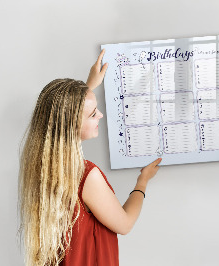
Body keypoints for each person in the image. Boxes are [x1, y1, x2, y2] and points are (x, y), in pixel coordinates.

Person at [18, 50, 162, 266]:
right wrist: (143, 181)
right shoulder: (86, 176)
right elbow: (125, 224)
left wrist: (88, 86)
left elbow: (64, 113)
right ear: (72, 124)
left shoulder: (41, 164)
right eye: (93, 113)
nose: (101, 116)